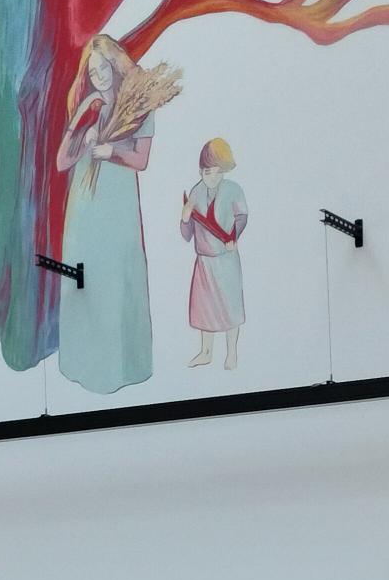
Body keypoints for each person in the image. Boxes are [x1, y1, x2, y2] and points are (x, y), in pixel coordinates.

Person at [53, 36, 159, 394]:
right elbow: (62, 161)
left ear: (116, 65)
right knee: (85, 281)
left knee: (116, 281)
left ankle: (121, 369)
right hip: (84, 207)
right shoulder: (90, 103)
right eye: (92, 71)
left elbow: (141, 160)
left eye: (103, 68)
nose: (98, 77)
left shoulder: (140, 105)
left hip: (118, 207)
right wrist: (82, 136)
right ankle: (83, 365)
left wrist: (110, 150)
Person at [180, 138, 248, 369]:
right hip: (204, 260)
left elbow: (242, 216)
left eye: (218, 172)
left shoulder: (233, 190)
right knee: (204, 309)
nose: (213, 177)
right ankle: (206, 352)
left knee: (230, 307)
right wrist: (185, 218)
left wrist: (234, 236)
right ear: (201, 171)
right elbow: (186, 235)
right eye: (208, 172)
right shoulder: (196, 193)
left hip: (225, 258)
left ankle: (232, 353)